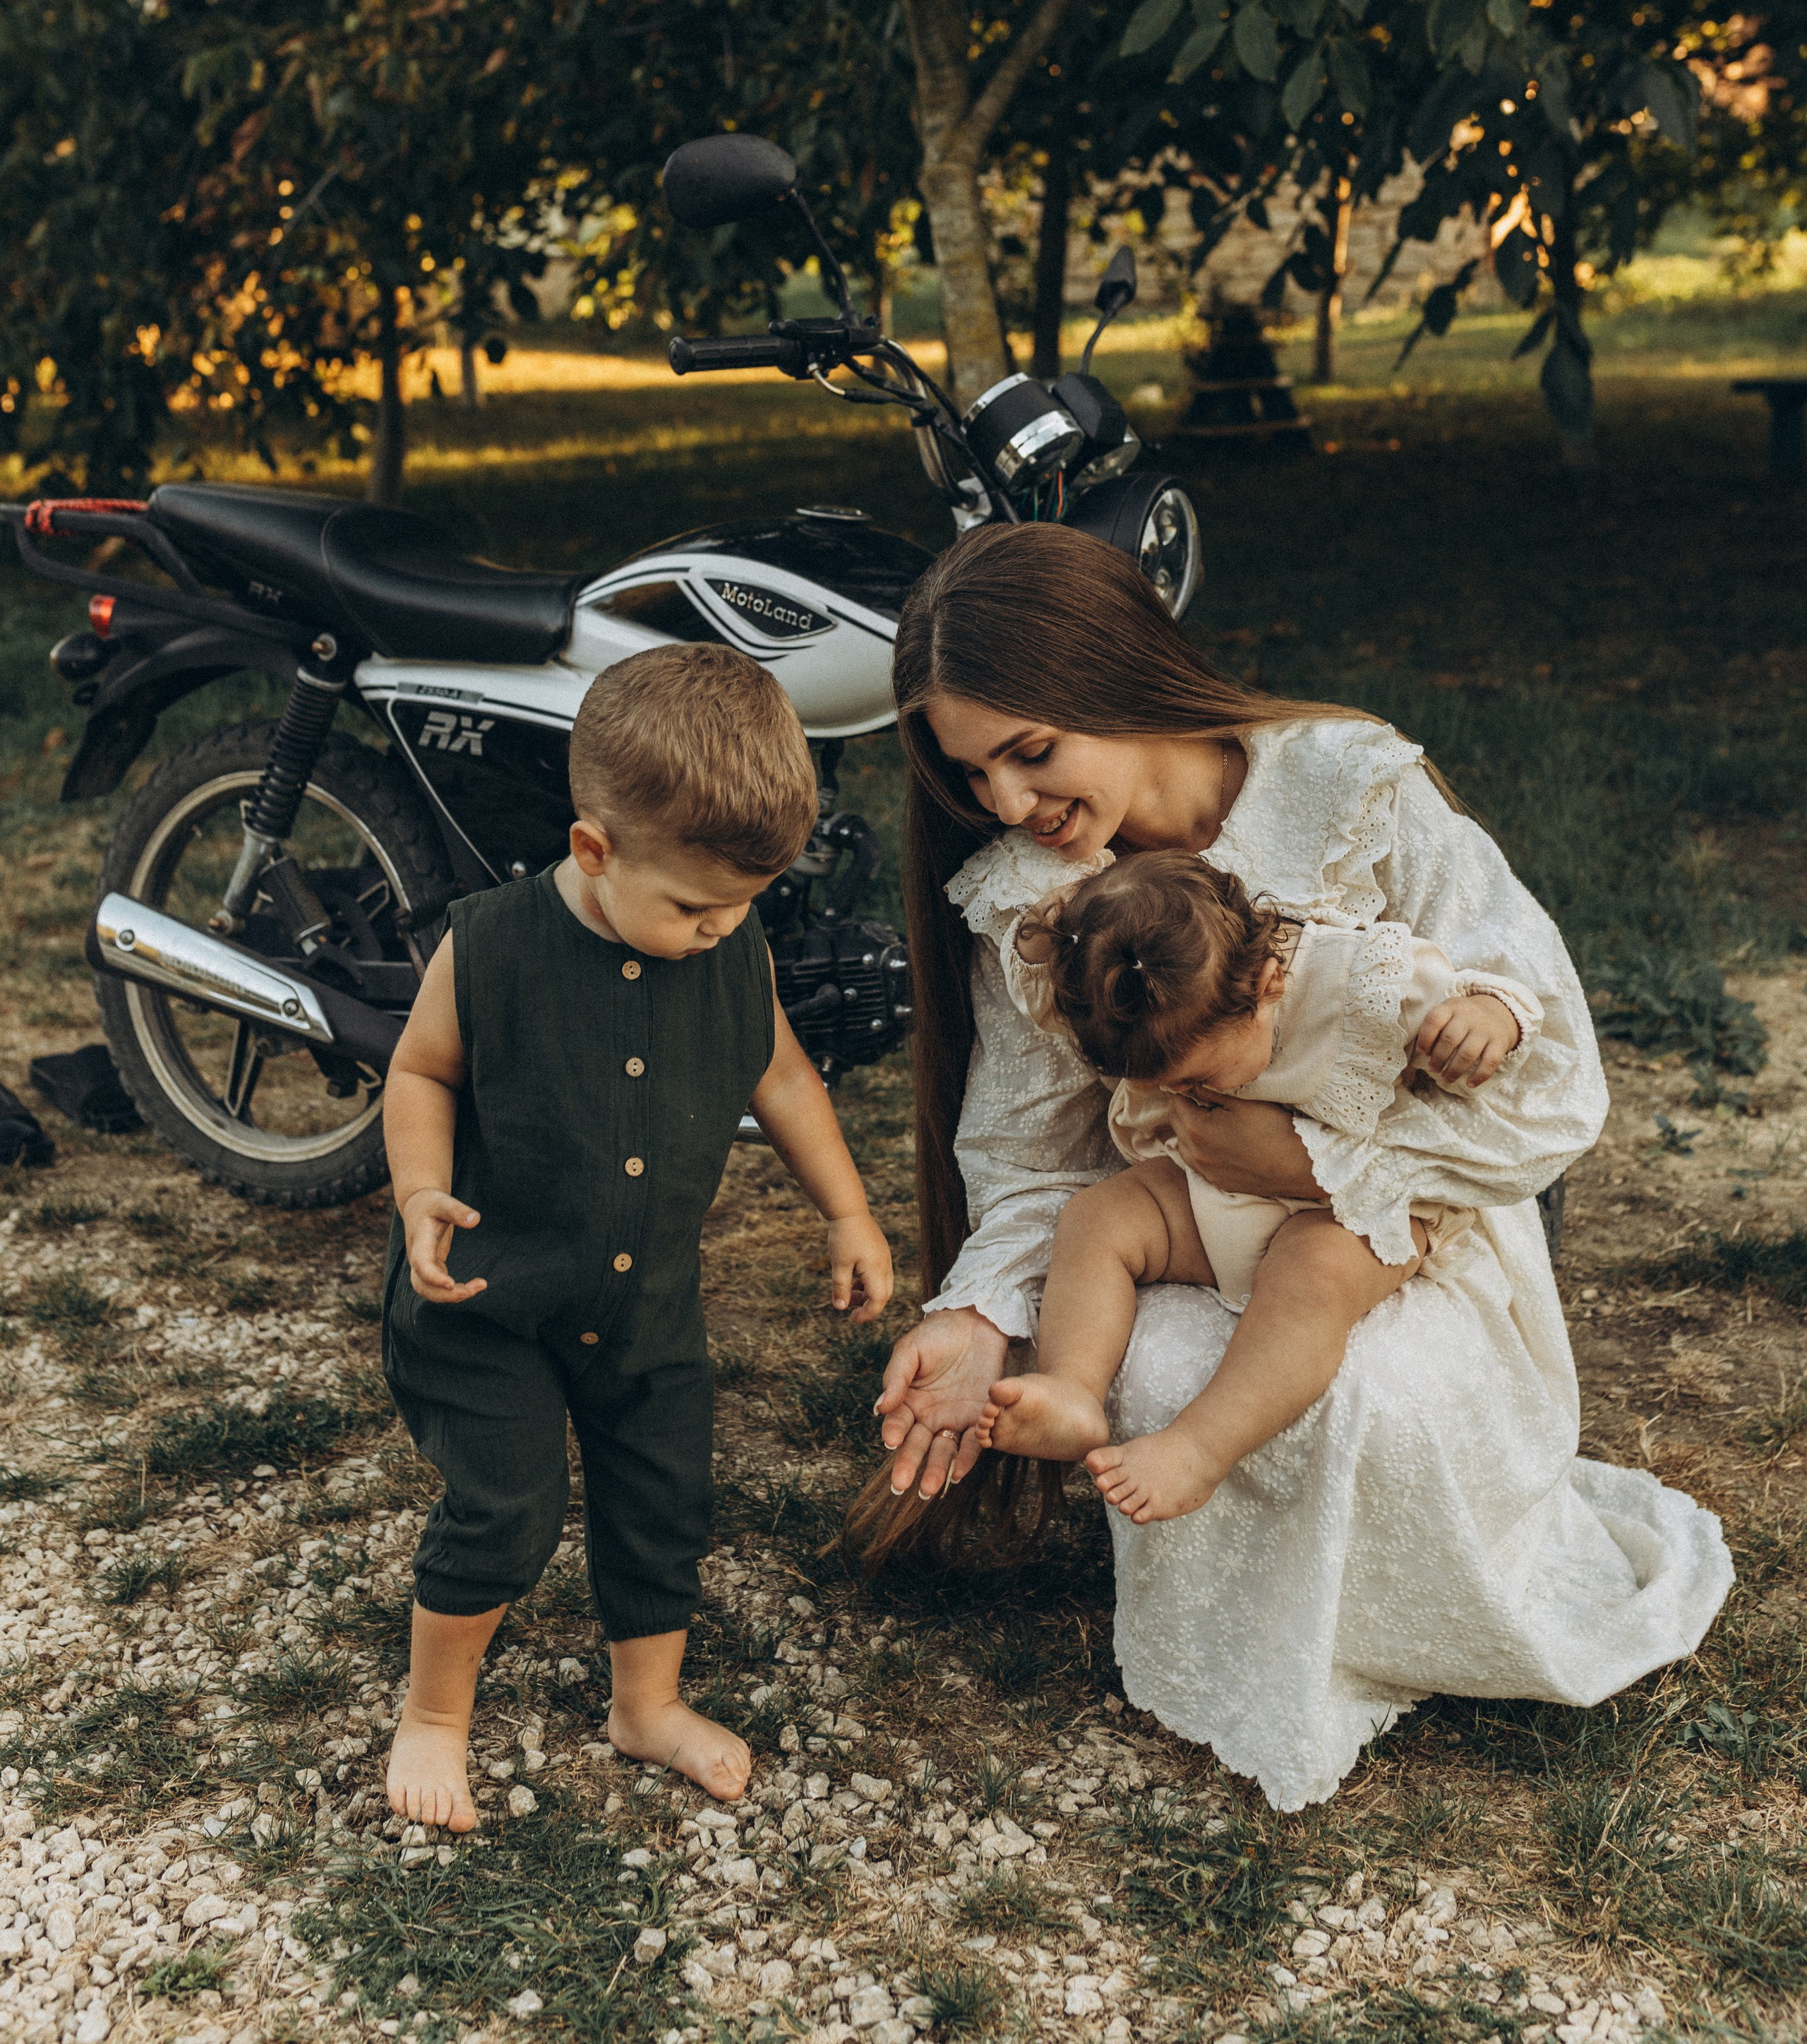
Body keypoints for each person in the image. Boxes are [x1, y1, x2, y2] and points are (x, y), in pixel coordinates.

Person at [869, 523, 1731, 1812]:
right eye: (972, 772)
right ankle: (1248, 1647)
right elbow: (1030, 1157)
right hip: (1191, 1223)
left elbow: (1552, 1089)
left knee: (1369, 1390)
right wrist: (980, 1313)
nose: (1004, 803)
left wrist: (1307, 1157)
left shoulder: (1346, 790)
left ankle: (1413, 1630)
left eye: (1030, 752)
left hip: (1405, 1222)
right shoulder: (1030, 897)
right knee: (1159, 1366)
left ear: (1115, 676)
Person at [382, 643, 893, 1831]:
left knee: (661, 1500)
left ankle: (645, 1706)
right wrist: (419, 1194)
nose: (722, 928)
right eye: (695, 907)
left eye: (743, 905)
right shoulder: (492, 944)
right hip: (488, 1302)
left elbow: (784, 1076)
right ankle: (436, 1714)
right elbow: (419, 1072)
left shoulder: (731, 944)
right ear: (595, 850)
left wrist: (849, 1211)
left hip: (647, 1307)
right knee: (505, 1510)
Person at [976, 850, 1540, 1523]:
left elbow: (1492, 1002)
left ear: (1269, 984)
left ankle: (1200, 1447)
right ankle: (1073, 1388)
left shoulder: (1358, 982)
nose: (1189, 1095)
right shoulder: (1140, 1005)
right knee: (1097, 1217)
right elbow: (1048, 1004)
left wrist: (1494, 1016)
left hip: (1347, 1209)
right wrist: (1042, 947)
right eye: (1168, 1088)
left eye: (1198, 1077)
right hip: (1213, 1187)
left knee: (1314, 1273)